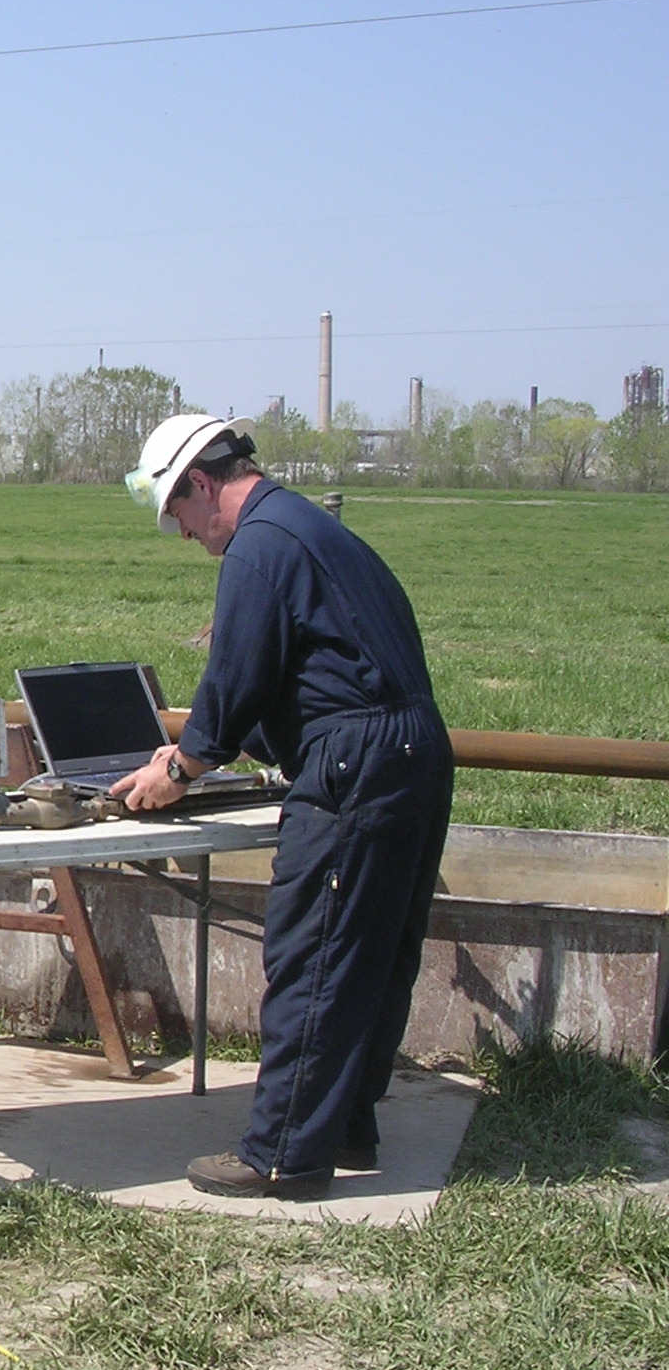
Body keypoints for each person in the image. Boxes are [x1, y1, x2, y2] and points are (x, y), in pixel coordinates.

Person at [113, 415, 453, 1199]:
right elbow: (308, 670)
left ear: (201, 484)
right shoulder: (308, 528)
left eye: (180, 516)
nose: (186, 535)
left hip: (355, 763)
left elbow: (234, 681)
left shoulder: (259, 546)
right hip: (413, 749)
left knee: (316, 956)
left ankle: (281, 1157)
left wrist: (183, 764)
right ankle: (345, 1127)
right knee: (375, 954)